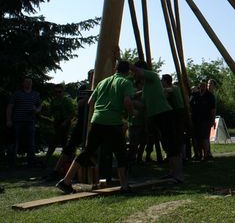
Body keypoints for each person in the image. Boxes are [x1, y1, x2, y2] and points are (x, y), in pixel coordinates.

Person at [56, 61, 134, 194]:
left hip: (97, 120)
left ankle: (66, 181)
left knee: (87, 151)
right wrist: (130, 113)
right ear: (128, 71)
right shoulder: (126, 83)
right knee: (121, 153)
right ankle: (125, 186)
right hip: (113, 122)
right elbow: (127, 102)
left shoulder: (102, 82)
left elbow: (90, 101)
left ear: (115, 69)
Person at [132, 60, 183, 182]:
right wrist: (130, 102)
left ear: (141, 71)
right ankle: (172, 173)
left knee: (172, 144)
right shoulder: (146, 88)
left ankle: (178, 175)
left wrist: (122, 62)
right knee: (166, 145)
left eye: (135, 71)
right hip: (156, 117)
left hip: (165, 114)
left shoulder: (153, 76)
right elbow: (143, 105)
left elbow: (137, 70)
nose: (133, 74)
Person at [6, 77, 41, 167]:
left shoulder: (36, 94)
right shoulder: (17, 94)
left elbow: (39, 106)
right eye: (26, 82)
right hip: (17, 121)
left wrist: (36, 110)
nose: (28, 83)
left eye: (30, 82)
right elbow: (10, 107)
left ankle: (31, 162)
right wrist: (8, 120)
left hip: (30, 121)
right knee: (15, 142)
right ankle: (12, 163)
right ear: (23, 83)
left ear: (32, 84)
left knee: (31, 142)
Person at [44, 84, 76, 167]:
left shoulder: (67, 100)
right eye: (56, 92)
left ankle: (68, 161)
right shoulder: (53, 101)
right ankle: (66, 161)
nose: (57, 93)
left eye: (59, 92)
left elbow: (72, 113)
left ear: (63, 92)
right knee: (58, 142)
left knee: (61, 142)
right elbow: (50, 112)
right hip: (57, 122)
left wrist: (66, 122)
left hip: (65, 123)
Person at [189, 80, 216, 161]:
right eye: (201, 85)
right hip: (195, 120)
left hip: (206, 120)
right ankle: (199, 154)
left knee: (205, 138)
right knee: (197, 138)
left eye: (204, 85)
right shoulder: (195, 95)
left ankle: (206, 155)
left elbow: (213, 109)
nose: (202, 87)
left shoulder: (210, 96)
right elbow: (189, 105)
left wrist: (212, 120)